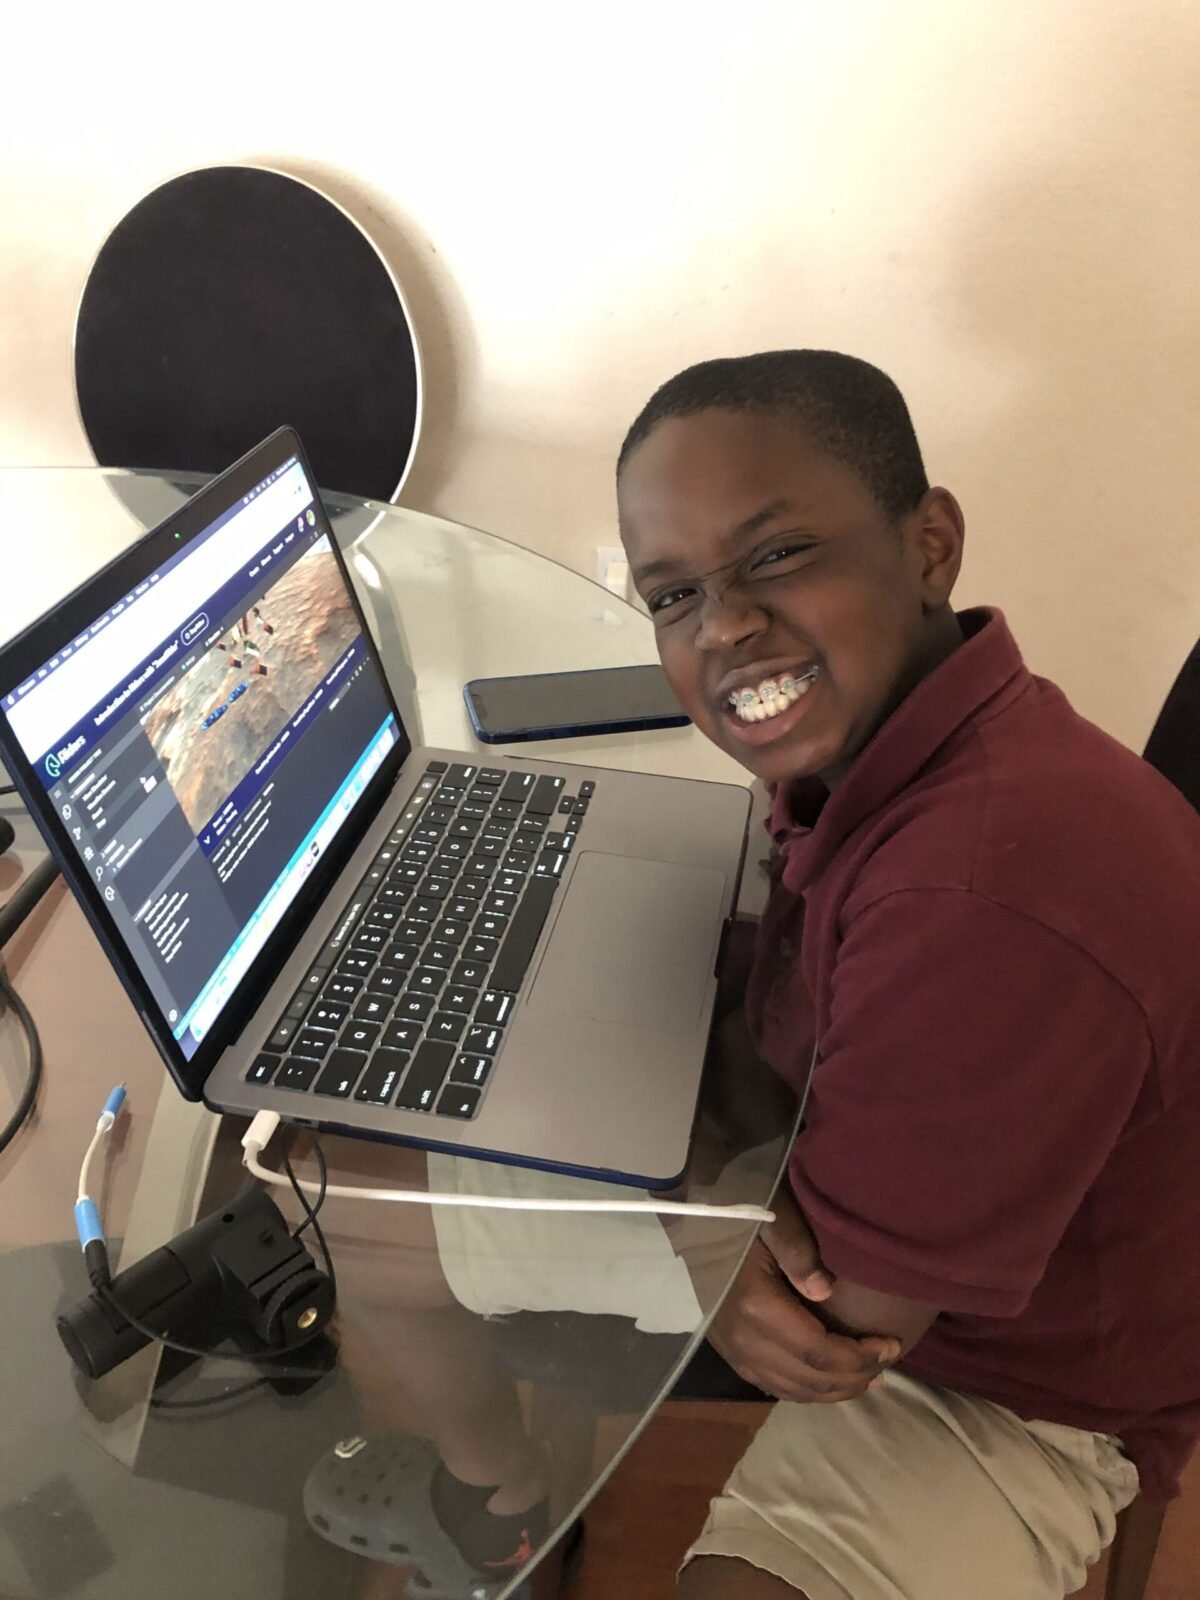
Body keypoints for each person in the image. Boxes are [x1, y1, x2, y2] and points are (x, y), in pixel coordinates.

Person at [615, 349, 1200, 1600]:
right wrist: (702, 1186)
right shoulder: (897, 747)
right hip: (903, 1215)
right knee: (386, 1170)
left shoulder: (983, 890)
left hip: (1023, 1378)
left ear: (930, 544)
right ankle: (495, 1504)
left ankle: (487, 1495)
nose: (723, 624)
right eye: (672, 595)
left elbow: (830, 1329)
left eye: (777, 554)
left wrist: (690, 1204)